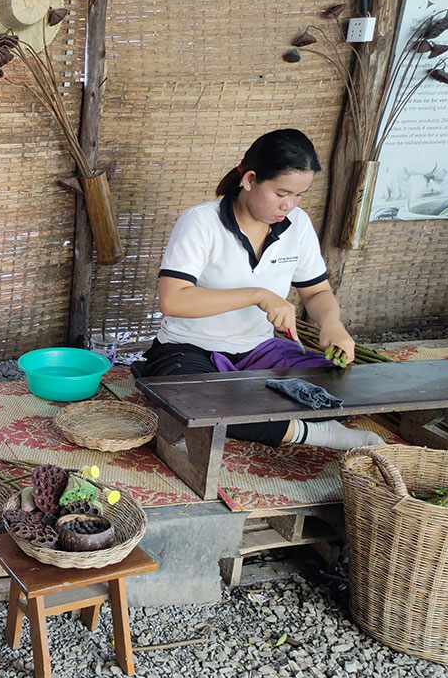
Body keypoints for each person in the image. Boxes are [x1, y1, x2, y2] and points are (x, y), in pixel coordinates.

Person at [135, 129, 384, 450]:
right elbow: (173, 300)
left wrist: (332, 325)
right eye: (282, 193)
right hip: (189, 350)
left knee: (345, 387)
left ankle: (250, 419)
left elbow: (317, 292)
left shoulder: (297, 225)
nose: (289, 205)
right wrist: (258, 295)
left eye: (299, 195)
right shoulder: (201, 222)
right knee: (197, 400)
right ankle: (318, 433)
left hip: (260, 353)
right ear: (250, 179)